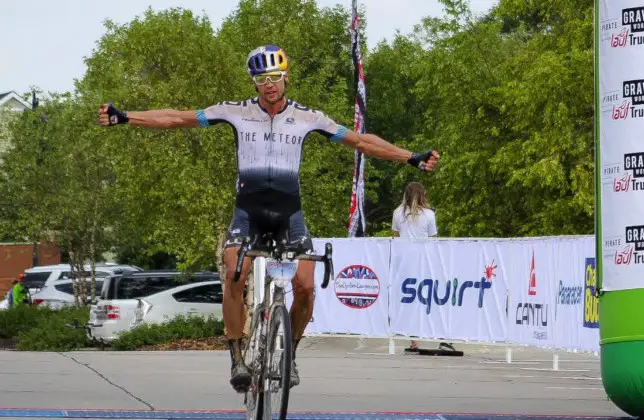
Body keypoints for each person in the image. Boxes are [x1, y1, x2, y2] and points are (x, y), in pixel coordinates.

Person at [97, 45, 440, 393]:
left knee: (305, 287)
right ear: (254, 82)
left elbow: (360, 141)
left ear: (286, 76)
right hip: (249, 213)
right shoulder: (235, 111)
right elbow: (177, 118)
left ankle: (288, 352)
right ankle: (237, 358)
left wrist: (410, 157)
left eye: (275, 76)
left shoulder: (309, 117)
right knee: (234, 271)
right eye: (261, 78)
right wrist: (126, 116)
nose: (269, 84)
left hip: (289, 215)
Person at [391, 181, 437, 351]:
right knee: (422, 295)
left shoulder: (397, 213)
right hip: (424, 259)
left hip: (404, 260)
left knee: (407, 296)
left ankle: (412, 336)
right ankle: (422, 330)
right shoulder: (429, 214)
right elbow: (433, 239)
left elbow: (395, 237)